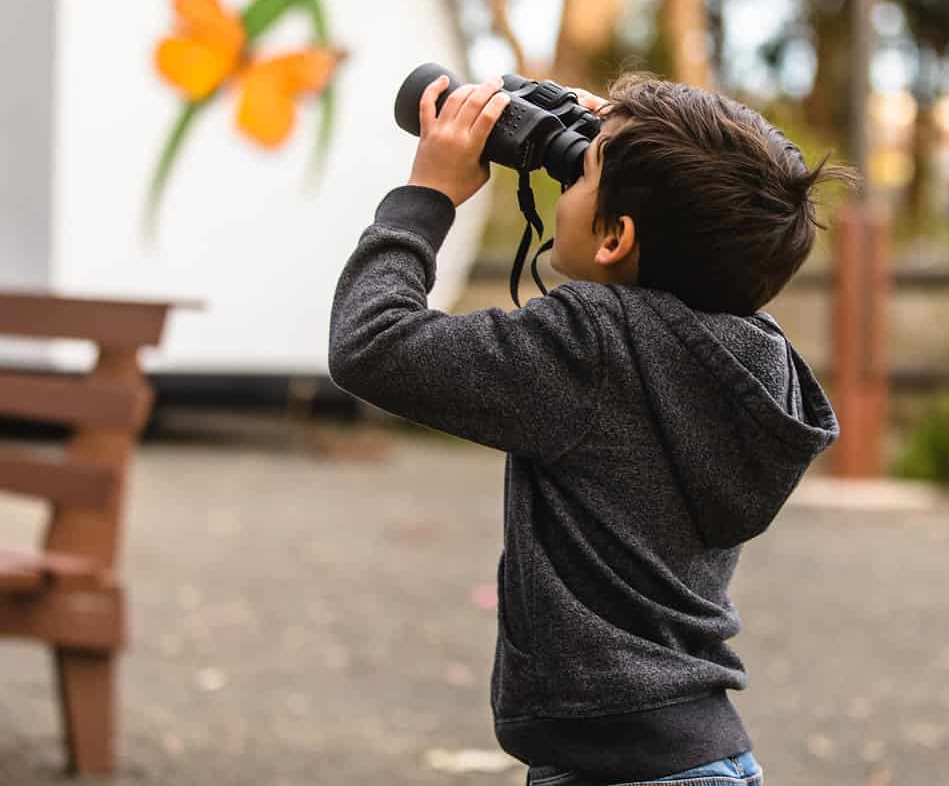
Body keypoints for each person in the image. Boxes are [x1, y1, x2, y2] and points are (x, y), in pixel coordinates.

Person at [328, 71, 861, 785]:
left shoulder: (592, 347)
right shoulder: (752, 356)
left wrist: (425, 198)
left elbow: (372, 343)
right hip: (704, 756)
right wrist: (635, 135)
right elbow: (712, 240)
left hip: (612, 771)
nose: (565, 182)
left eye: (581, 176)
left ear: (615, 237)